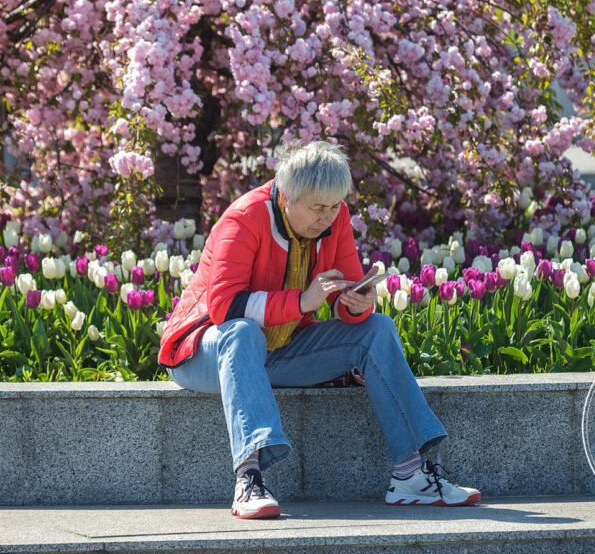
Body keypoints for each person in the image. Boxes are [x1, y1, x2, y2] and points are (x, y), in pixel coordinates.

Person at [159, 141, 481, 519]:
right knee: (242, 331)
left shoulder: (336, 217)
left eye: (334, 206)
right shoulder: (244, 217)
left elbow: (345, 292)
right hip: (202, 352)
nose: (327, 217)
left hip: (278, 351)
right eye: (317, 208)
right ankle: (248, 479)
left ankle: (411, 476)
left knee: (377, 328)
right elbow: (224, 308)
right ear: (287, 195)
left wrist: (357, 304)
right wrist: (301, 302)